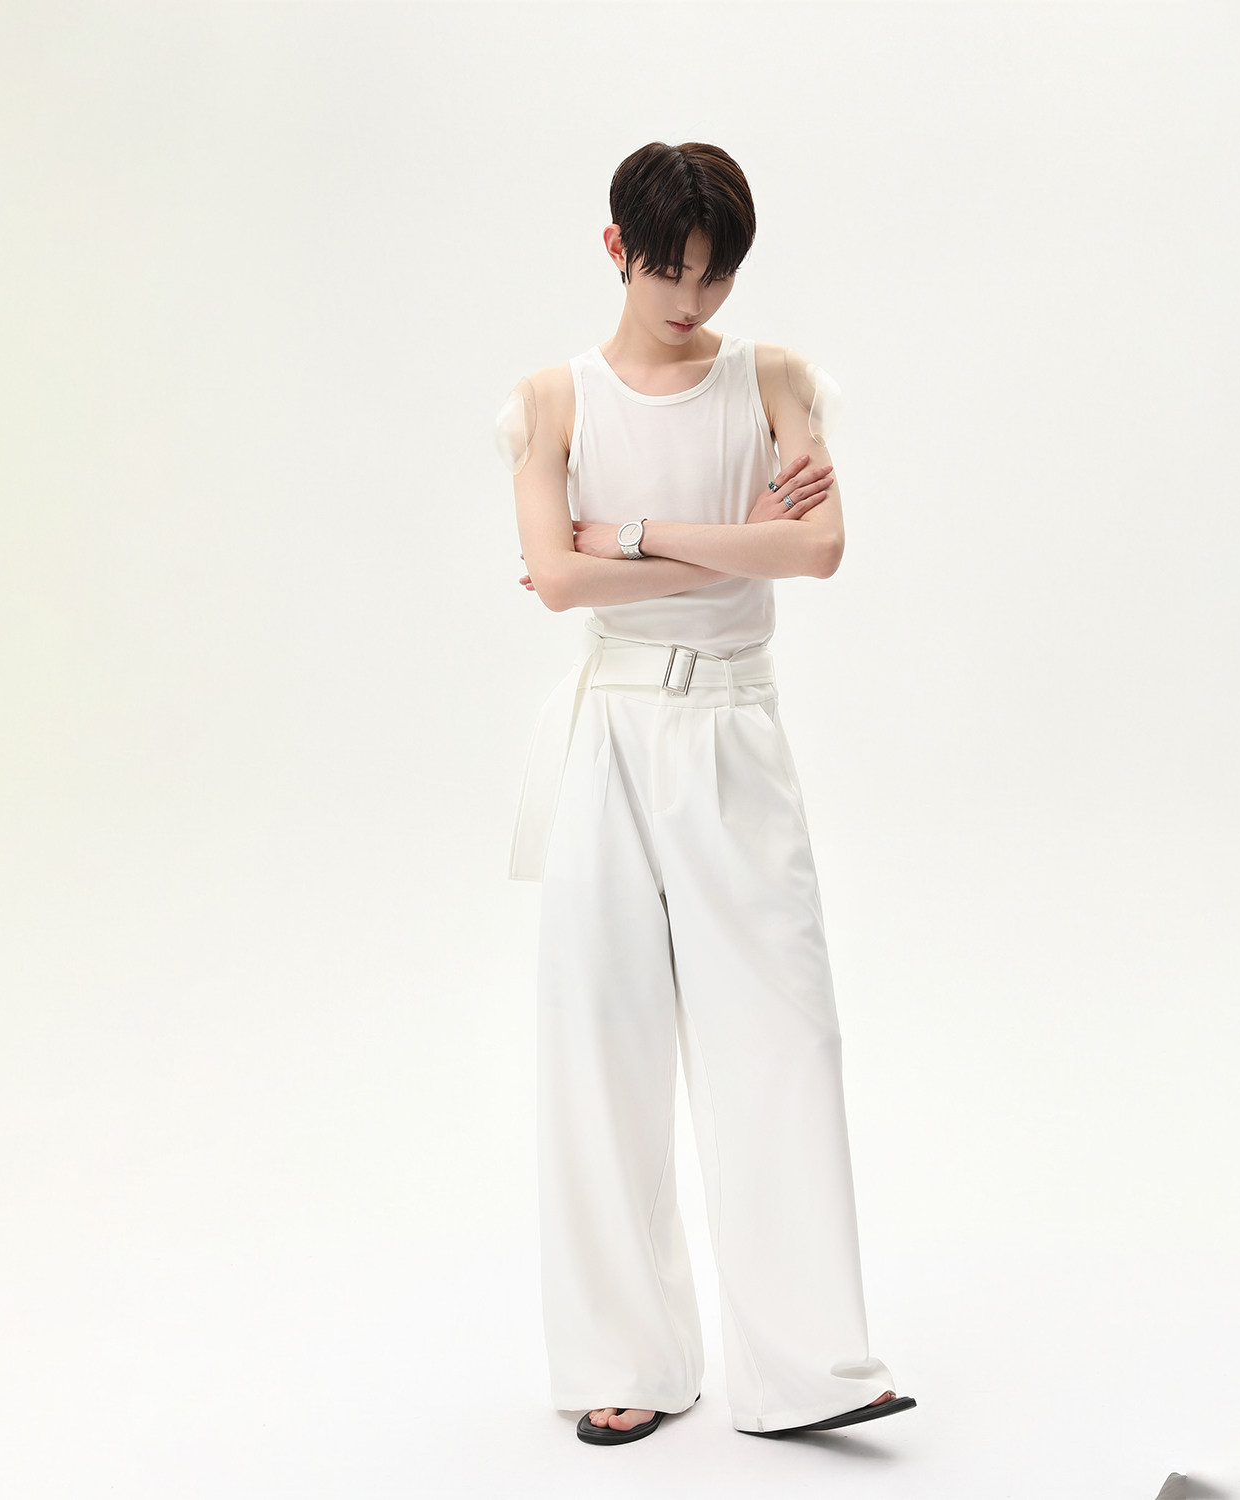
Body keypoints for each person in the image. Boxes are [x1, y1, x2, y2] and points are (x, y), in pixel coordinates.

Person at [500, 140, 915, 1447]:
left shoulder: (774, 379)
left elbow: (819, 549)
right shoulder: (553, 402)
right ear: (615, 250)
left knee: (785, 1034)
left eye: (716, 276)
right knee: (602, 1045)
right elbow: (555, 583)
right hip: (611, 733)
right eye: (668, 272)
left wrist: (631, 536)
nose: (692, 301)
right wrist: (735, 548)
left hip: (733, 726)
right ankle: (625, 1359)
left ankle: (810, 1368)